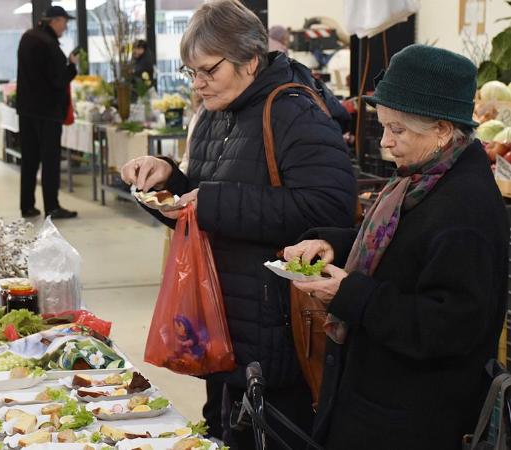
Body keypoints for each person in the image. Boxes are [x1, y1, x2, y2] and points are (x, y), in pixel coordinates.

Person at [120, 1, 356, 448]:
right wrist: (167, 183)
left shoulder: (293, 113)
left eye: (208, 70)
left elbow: (328, 209)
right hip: (224, 329)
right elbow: (209, 202)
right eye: (191, 73)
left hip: (276, 335)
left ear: (250, 60)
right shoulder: (215, 114)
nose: (198, 83)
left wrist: (211, 202)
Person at [284, 44, 509, 450]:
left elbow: (448, 328)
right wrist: (334, 245)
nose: (386, 142)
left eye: (398, 130)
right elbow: (400, 248)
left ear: (442, 130)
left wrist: (350, 294)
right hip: (381, 403)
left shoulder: (464, 209)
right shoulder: (424, 178)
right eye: (384, 126)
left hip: (415, 419)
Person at [16, 5, 79, 219]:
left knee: (29, 160)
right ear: (55, 21)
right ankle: (52, 206)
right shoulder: (49, 44)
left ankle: (27, 206)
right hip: (47, 112)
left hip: (26, 110)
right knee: (50, 161)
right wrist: (71, 66)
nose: (65, 27)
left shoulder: (27, 38)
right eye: (64, 22)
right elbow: (58, 81)